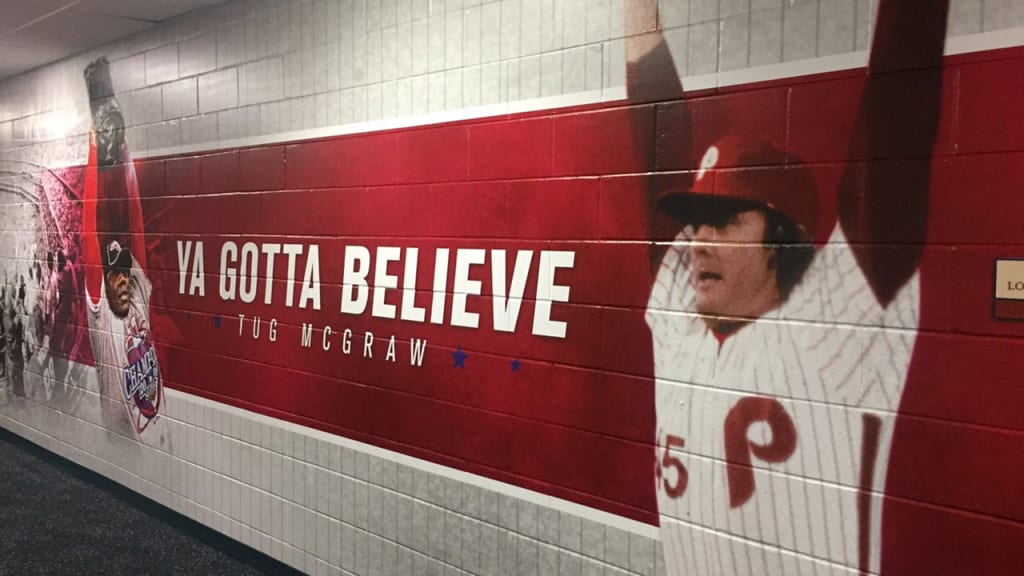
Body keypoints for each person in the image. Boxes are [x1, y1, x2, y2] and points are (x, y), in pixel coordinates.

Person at [626, 0, 948, 574]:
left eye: (724, 221)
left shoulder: (839, 328)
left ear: (783, 240)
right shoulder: (681, 322)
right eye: (695, 223)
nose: (696, 241)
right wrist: (638, 14)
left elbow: (897, 119)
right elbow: (658, 147)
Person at [82, 57, 163, 436]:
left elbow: (134, 216)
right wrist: (94, 149)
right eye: (113, 276)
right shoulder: (100, 315)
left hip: (159, 437)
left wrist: (121, 147)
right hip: (122, 443)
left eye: (122, 276)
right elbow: (91, 225)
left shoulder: (139, 288)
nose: (119, 284)